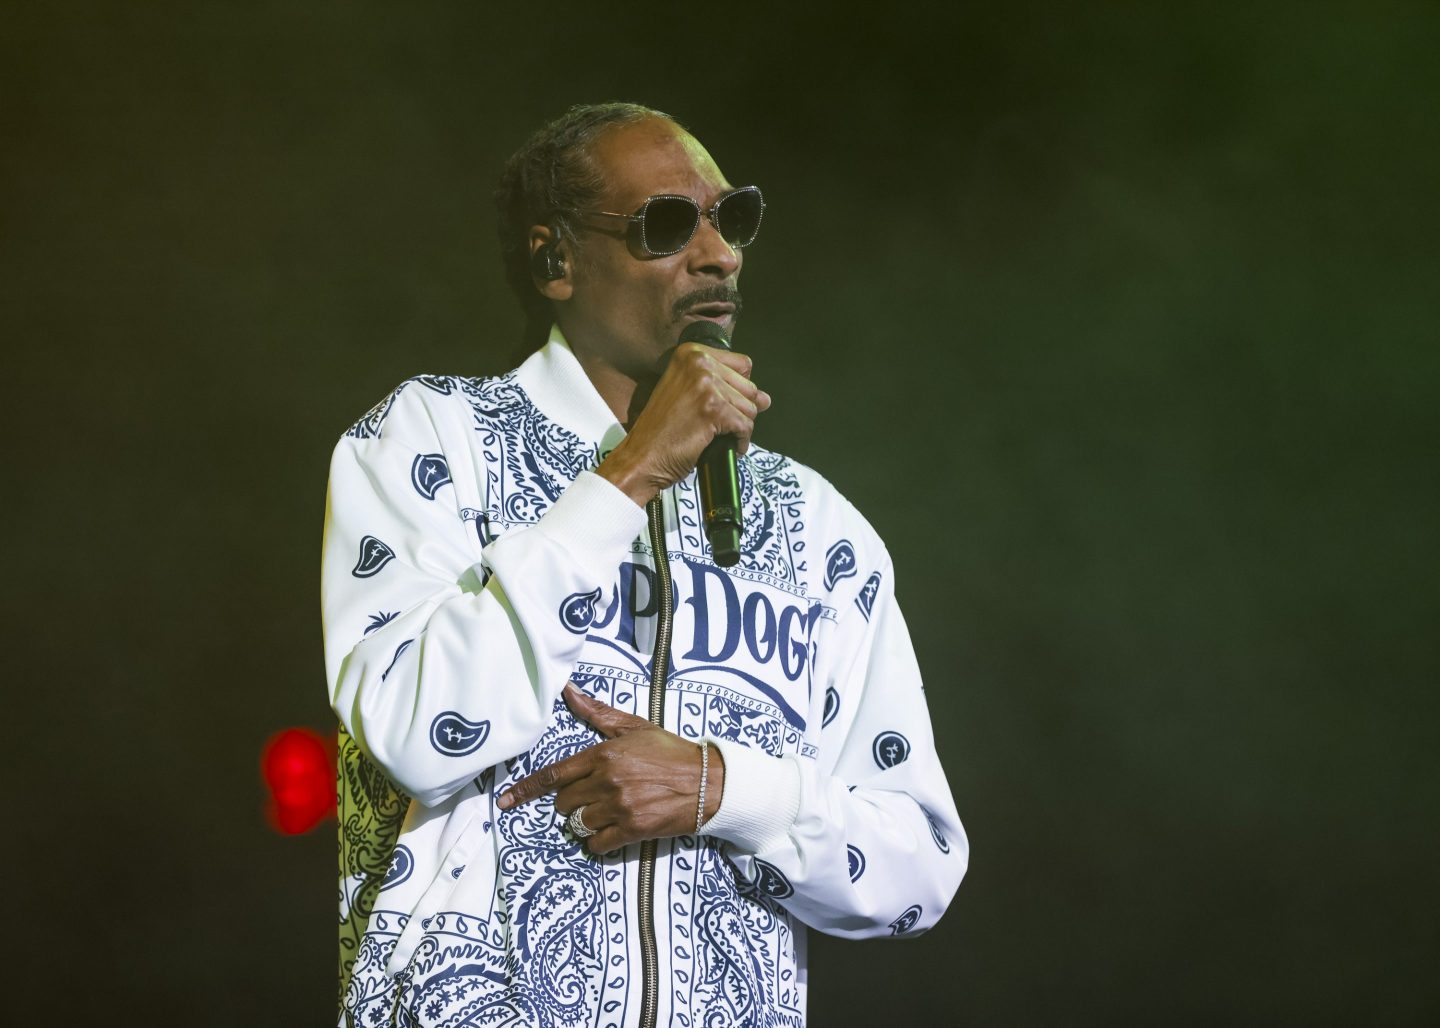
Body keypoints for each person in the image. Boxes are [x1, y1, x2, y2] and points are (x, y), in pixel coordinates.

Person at [321, 102, 967, 1027]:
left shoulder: (821, 531)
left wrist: (727, 789)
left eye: (729, 217)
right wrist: (627, 477)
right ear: (555, 260)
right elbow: (425, 730)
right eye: (667, 225)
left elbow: (921, 868)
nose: (718, 255)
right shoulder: (432, 440)